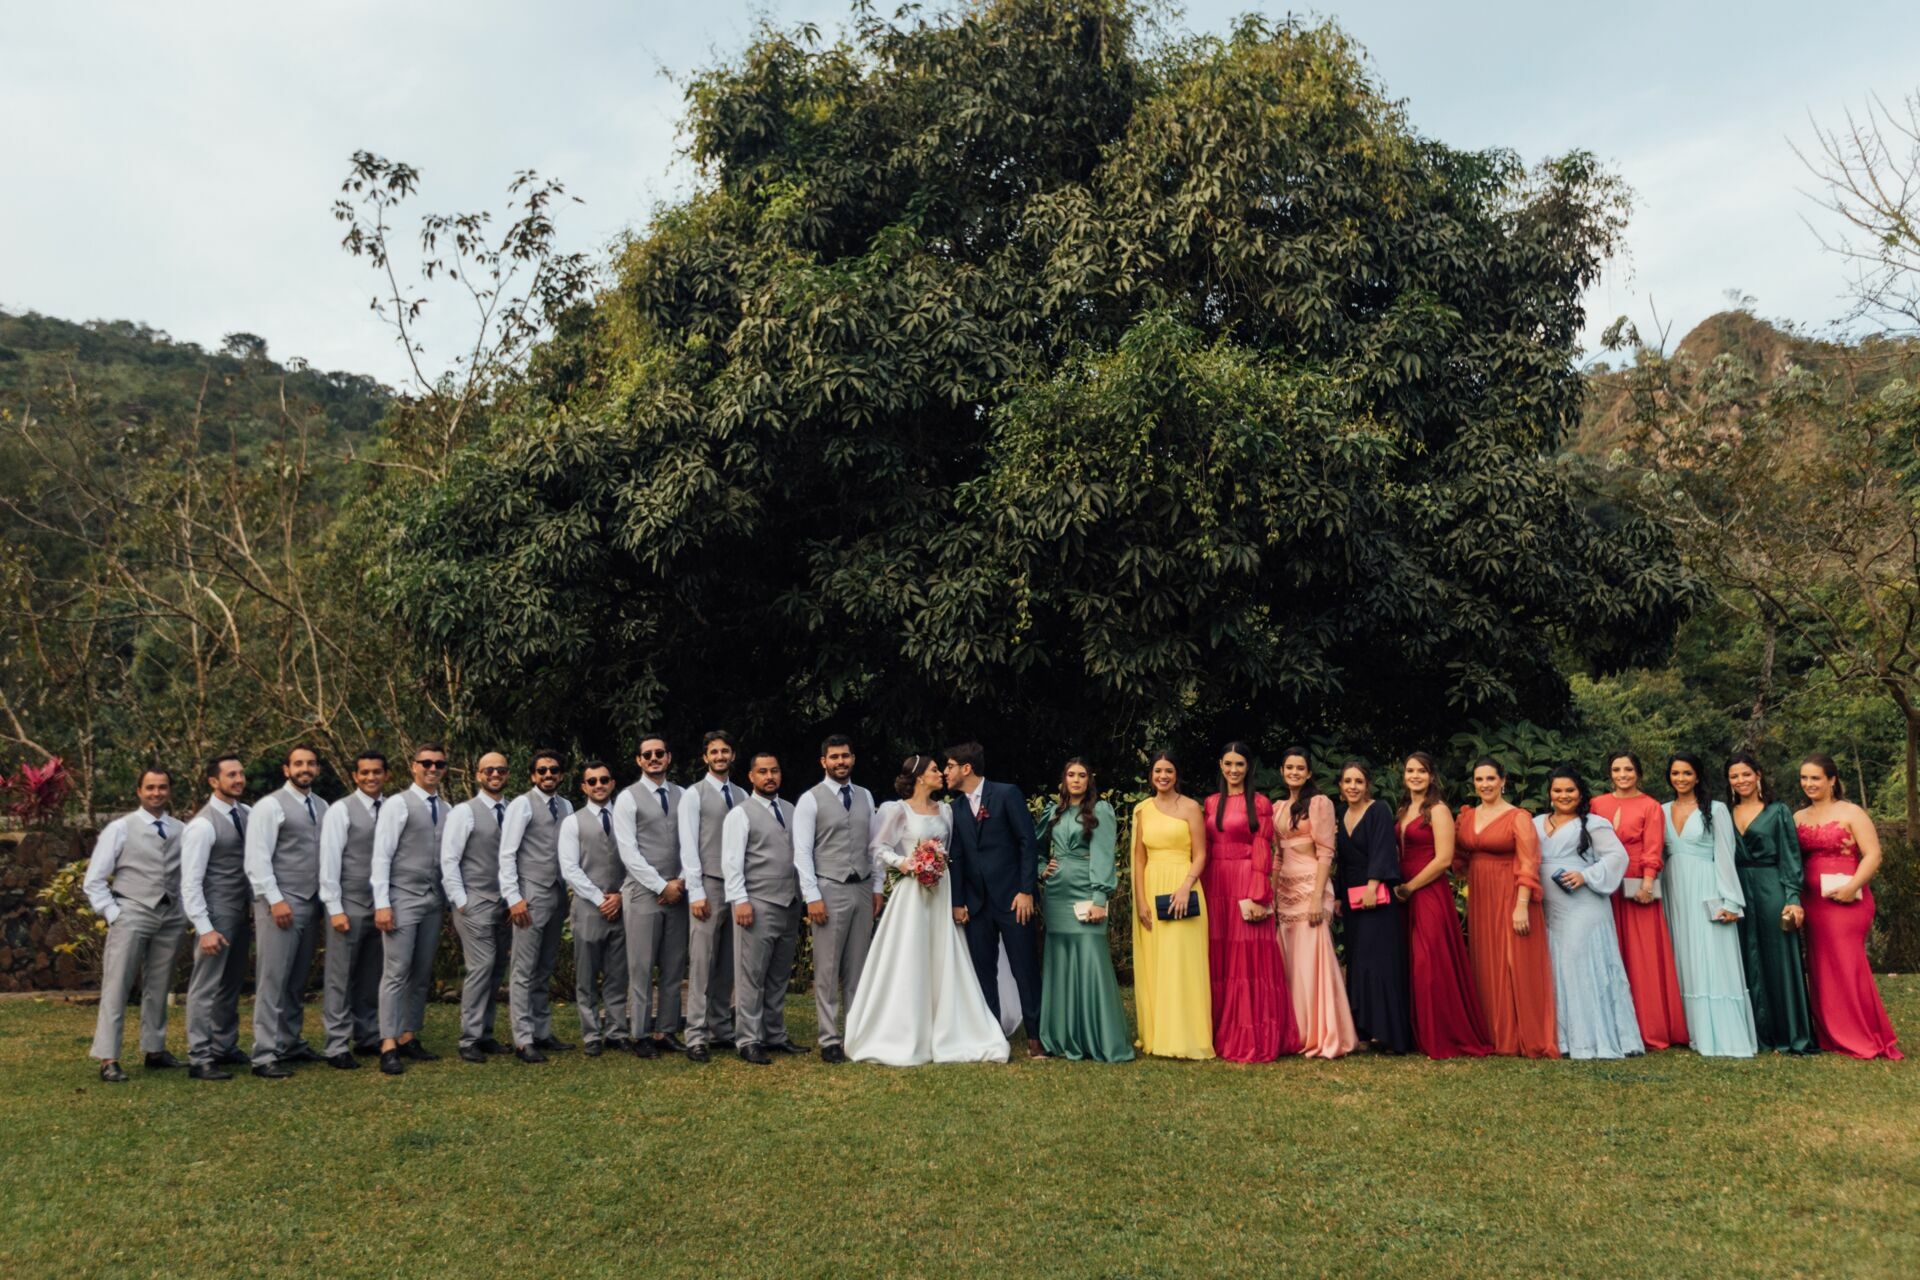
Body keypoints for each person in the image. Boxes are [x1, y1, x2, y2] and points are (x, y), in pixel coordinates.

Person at [845, 755, 1009, 1065]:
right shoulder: (897, 810)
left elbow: (955, 852)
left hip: (941, 889)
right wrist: (905, 863)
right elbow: (878, 848)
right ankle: (905, 1029)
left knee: (943, 953)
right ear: (920, 777)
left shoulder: (946, 810)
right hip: (912, 892)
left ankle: (950, 1027)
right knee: (910, 954)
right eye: (935, 770)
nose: (941, 775)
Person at [1795, 753, 1902, 1059]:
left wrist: (1853, 885)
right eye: (1804, 778)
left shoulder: (1852, 813)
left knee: (1847, 964)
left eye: (1815, 778)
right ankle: (1831, 1033)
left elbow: (1873, 855)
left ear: (1832, 780)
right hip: (1813, 902)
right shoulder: (1798, 818)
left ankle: (1861, 1033)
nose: (1809, 784)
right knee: (1820, 967)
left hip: (1848, 901)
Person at [1533, 767, 1644, 1060]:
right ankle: (1563, 1038)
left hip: (1584, 905)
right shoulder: (1535, 823)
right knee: (1556, 964)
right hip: (1549, 908)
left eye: (1570, 790)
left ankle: (1592, 1039)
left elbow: (1618, 856)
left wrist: (1586, 875)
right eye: (1557, 790)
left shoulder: (1594, 823)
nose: (1563, 796)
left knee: (1579, 963)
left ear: (1580, 793)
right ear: (1549, 793)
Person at [943, 741, 1045, 1056]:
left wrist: (1026, 891)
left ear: (966, 768)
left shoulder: (1006, 794)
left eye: (949, 766)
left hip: (1014, 899)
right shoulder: (956, 808)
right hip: (976, 904)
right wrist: (957, 901)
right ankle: (992, 1035)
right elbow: (956, 857)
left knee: (1024, 967)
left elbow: (1027, 842)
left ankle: (1036, 1037)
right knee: (983, 971)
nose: (945, 772)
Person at [84, 767, 185, 1083]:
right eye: (151, 787)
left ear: (169, 791)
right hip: (132, 911)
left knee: (159, 985)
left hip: (170, 915)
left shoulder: (181, 829)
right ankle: (108, 1058)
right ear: (139, 791)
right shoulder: (120, 828)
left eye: (163, 787)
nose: (157, 793)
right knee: (117, 985)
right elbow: (95, 879)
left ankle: (155, 1049)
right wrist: (114, 913)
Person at [1200, 743, 1300, 1062]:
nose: (1233, 769)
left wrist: (1258, 894)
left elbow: (1263, 848)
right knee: (1221, 956)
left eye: (1239, 764)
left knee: (1247, 960)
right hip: (1216, 883)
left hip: (1246, 880)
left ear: (1248, 767)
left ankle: (1250, 1035)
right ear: (1220, 764)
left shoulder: (1260, 803)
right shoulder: (1210, 802)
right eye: (1228, 763)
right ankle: (1216, 1031)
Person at [1455, 757, 1557, 1058]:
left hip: (1511, 892)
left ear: (1503, 781)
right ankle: (1491, 1032)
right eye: (1479, 779)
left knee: (1515, 961)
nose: (1484, 784)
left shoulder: (1518, 817)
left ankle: (1520, 1035)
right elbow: (1459, 855)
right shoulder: (1467, 816)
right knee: (1487, 959)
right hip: (1481, 892)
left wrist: (1522, 904)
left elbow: (1529, 862)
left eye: (1490, 779)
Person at [1034, 759, 1133, 1062]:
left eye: (1082, 775)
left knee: (1091, 960)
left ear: (1090, 780)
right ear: (1063, 780)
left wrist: (1100, 899)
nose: (1076, 780)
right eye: (1070, 775)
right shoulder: (1053, 812)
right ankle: (1063, 1038)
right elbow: (1033, 849)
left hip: (1086, 890)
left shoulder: (1099, 810)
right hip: (1057, 894)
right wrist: (1041, 868)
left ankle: (1100, 1038)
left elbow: (1103, 855)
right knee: (1060, 963)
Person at [1659, 754, 1758, 1057]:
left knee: (1711, 955)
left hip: (1706, 885)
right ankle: (1688, 1027)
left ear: (1698, 776)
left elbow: (1725, 855)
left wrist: (1731, 901)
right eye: (1675, 773)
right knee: (1683, 953)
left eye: (1687, 773)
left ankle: (1721, 1033)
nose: (1681, 779)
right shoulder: (1661, 810)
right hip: (1673, 887)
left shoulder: (1715, 810)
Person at [1394, 753, 1491, 1059]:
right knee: (1410, 961)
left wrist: (1411, 887)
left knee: (1430, 962)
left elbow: (1444, 859)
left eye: (1421, 771)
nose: (1415, 776)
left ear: (1432, 776)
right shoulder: (1403, 809)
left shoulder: (1438, 810)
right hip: (1403, 893)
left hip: (1427, 891)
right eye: (1410, 771)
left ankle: (1443, 1033)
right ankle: (1417, 1033)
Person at [1591, 752, 1689, 1052]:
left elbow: (1653, 847)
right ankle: (1612, 1026)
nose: (1622, 774)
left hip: (1636, 881)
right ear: (1609, 774)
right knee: (1610, 950)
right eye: (1616, 769)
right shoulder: (1597, 804)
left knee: (1643, 954)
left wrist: (1648, 882)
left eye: (1628, 769)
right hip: (1604, 880)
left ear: (1639, 773)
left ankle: (1650, 1027)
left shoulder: (1650, 806)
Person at [793, 734, 880, 1065]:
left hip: (861, 887)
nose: (840, 762)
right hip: (829, 888)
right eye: (834, 757)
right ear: (824, 762)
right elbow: (802, 852)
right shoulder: (810, 800)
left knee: (859, 967)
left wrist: (876, 888)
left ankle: (855, 1034)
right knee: (828, 969)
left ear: (853, 759)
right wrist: (811, 895)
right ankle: (829, 1039)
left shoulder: (865, 796)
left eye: (845, 756)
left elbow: (873, 845)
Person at [244, 744, 330, 1077]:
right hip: (279, 902)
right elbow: (257, 857)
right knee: (272, 979)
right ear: (286, 769)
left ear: (317, 769)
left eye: (310, 763)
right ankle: (264, 1053)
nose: (304, 768)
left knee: (297, 979)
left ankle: (289, 1041)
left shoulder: (322, 806)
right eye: (298, 763)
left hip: (311, 902)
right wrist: (274, 898)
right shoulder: (269, 806)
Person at [1726, 753, 1819, 1054]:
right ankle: (1756, 1034)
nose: (1740, 781)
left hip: (1771, 888)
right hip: (1737, 889)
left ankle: (1792, 1034)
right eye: (1734, 776)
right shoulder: (1724, 813)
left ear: (1758, 775)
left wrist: (1792, 898)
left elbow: (1791, 857)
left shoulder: (1778, 811)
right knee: (1744, 959)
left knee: (1780, 960)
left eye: (1745, 774)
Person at [722, 751, 807, 1064]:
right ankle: (748, 1039)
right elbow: (731, 862)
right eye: (762, 772)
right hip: (756, 904)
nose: (769, 777)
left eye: (774, 770)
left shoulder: (790, 809)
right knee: (751, 976)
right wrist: (740, 900)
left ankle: (774, 1034)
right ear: (751, 777)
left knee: (777, 975)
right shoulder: (740, 814)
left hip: (788, 902)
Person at [1130, 752, 1214, 1060]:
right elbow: (1139, 859)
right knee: (1157, 961)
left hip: (1184, 886)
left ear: (1176, 774)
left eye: (1169, 770)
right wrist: (1140, 901)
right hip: (1152, 886)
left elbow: (1201, 854)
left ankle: (1186, 1036)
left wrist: (1185, 886)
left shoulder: (1191, 807)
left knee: (1183, 962)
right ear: (1151, 774)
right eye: (1157, 770)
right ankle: (1157, 1033)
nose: (1163, 776)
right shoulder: (1142, 810)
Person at [1273, 747, 1356, 1059]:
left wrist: (1317, 896)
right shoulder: (1278, 806)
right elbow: (1278, 855)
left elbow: (1325, 851)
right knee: (1290, 960)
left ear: (1308, 773)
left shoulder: (1319, 803)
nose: (1294, 772)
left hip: (1310, 883)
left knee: (1312, 958)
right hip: (1285, 888)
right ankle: (1295, 1029)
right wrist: (1271, 892)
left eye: (1300, 768)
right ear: (1282, 771)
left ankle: (1321, 1032)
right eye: (1289, 767)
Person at [611, 734, 688, 1058]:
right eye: (648, 754)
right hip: (644, 894)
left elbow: (692, 844)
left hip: (678, 892)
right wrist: (661, 886)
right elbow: (628, 852)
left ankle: (665, 1031)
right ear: (639, 761)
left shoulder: (684, 795)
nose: (654, 758)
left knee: (673, 967)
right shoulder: (627, 798)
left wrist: (680, 882)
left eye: (660, 753)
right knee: (641, 968)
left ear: (668, 757)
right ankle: (640, 1033)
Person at [179, 753, 253, 1080]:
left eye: (240, 773)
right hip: (217, 914)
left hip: (241, 912)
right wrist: (204, 928)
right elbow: (190, 883)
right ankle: (200, 1056)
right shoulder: (202, 825)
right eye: (231, 775)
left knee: (231, 983)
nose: (239, 779)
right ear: (214, 781)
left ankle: (224, 1045)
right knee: (205, 986)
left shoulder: (247, 814)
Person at [499, 749, 575, 1063]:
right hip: (530, 896)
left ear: (560, 774)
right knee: (523, 970)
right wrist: (513, 897)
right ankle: (523, 1038)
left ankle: (542, 1032)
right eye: (542, 771)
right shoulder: (521, 804)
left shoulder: (567, 805)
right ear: (533, 775)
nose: (548, 775)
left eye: (553, 770)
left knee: (544, 969)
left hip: (556, 896)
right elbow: (507, 853)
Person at [440, 750, 514, 1062]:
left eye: (500, 770)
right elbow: (449, 859)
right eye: (488, 770)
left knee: (497, 970)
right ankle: (468, 1038)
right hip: (474, 903)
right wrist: (461, 901)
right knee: (481, 968)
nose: (494, 775)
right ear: (478, 775)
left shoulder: (513, 810)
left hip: (506, 904)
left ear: (506, 774)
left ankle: (485, 1034)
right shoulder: (464, 812)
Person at [315, 749, 387, 1070]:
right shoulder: (340, 811)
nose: (371, 777)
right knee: (339, 977)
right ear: (355, 776)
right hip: (349, 904)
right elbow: (329, 861)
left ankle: (368, 1034)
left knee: (371, 975)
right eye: (364, 773)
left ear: (386, 775)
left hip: (381, 906)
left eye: (376, 772)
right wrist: (334, 907)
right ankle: (336, 1044)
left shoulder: (392, 808)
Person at [1333, 760, 1412, 1054]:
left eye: (1358, 782)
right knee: (1358, 962)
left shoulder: (1378, 810)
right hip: (1352, 899)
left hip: (1375, 896)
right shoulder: (1341, 814)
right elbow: (1342, 860)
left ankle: (1388, 1033)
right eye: (1347, 781)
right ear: (1340, 786)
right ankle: (1364, 1030)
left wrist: (1372, 884)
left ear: (1368, 785)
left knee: (1380, 963)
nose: (1353, 787)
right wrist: (1340, 895)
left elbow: (1382, 848)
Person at [677, 730, 743, 1063]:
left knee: (728, 963)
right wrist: (696, 890)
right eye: (714, 752)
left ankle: (721, 1028)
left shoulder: (743, 794)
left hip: (738, 888)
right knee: (702, 963)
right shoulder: (694, 794)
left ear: (732, 756)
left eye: (725, 751)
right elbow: (688, 844)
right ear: (705, 757)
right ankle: (696, 1035)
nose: (720, 756)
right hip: (709, 884)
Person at [558, 760, 631, 1056]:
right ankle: (591, 1034)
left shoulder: (627, 819)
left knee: (618, 974)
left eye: (604, 779)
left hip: (624, 905)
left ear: (612, 783)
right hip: (589, 907)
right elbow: (569, 868)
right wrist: (601, 898)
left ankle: (616, 1031)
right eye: (592, 781)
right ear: (584, 787)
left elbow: (636, 860)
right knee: (587, 975)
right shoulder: (572, 822)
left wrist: (622, 896)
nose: (599, 785)